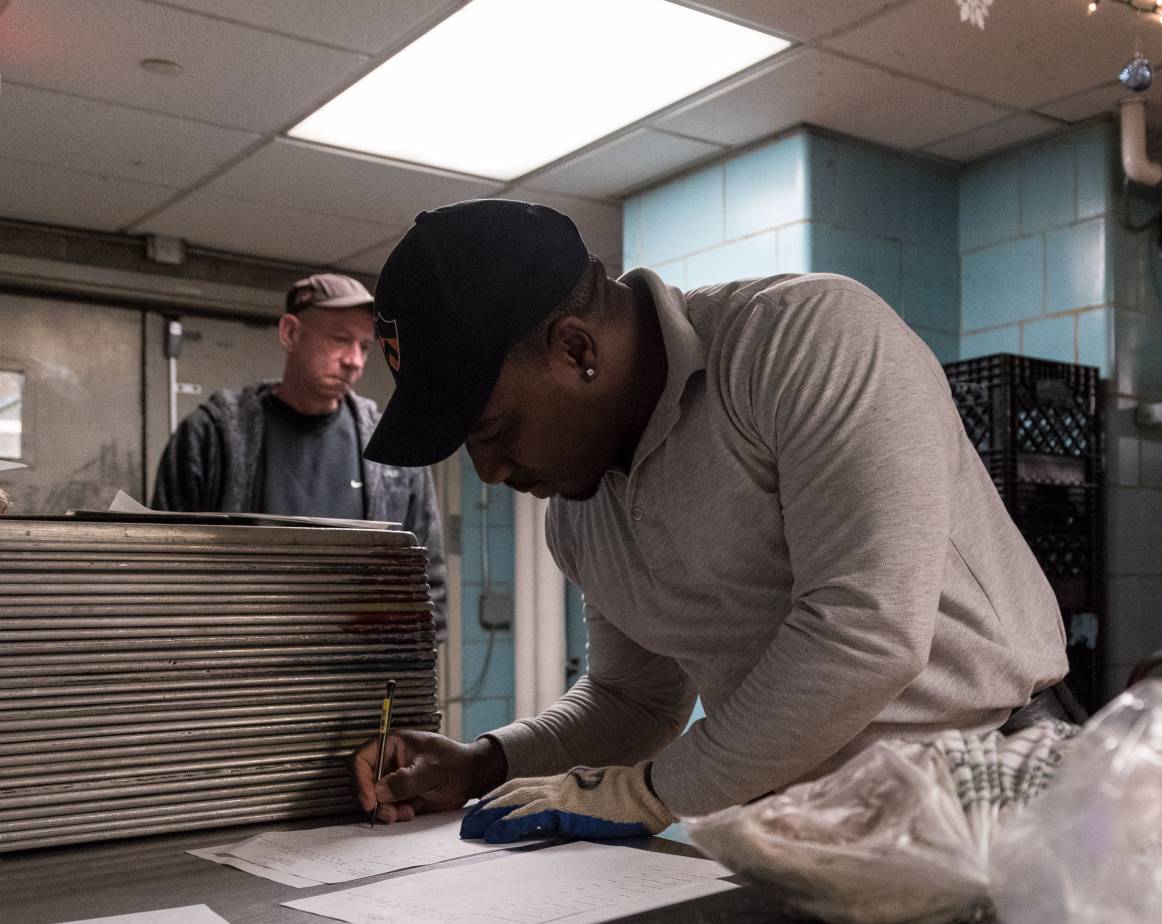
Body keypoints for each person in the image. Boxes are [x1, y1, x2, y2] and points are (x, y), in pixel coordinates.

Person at [350, 199, 1072, 842]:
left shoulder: (802, 340)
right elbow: (634, 701)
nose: (488, 472)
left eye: (493, 430)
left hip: (995, 786)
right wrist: (484, 763)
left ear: (576, 349)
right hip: (804, 821)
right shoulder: (578, 513)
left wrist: (646, 794)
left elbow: (868, 630)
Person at [151, 273, 446, 636]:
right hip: (240, 657)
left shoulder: (391, 450)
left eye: (365, 347)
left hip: (357, 661)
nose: (355, 360)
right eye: (340, 339)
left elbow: (428, 582)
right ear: (291, 333)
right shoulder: (213, 436)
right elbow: (162, 571)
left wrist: (414, 663)